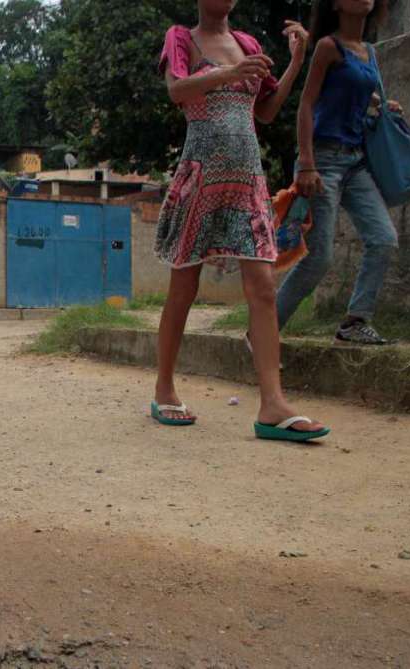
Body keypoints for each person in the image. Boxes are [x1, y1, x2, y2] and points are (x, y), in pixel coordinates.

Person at [152, 0, 329, 442]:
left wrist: (296, 63)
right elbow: (177, 90)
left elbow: (266, 111)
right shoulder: (182, 39)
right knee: (184, 288)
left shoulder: (247, 43)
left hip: (247, 177)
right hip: (202, 174)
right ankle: (164, 388)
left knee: (264, 288)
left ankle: (273, 404)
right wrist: (229, 74)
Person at [278, 0, 398, 345]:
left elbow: (356, 90)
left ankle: (356, 320)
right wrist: (306, 162)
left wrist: (380, 103)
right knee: (319, 260)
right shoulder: (328, 47)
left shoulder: (369, 52)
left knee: (383, 239)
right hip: (323, 162)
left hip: (357, 162)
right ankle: (263, 332)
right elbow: (307, 104)